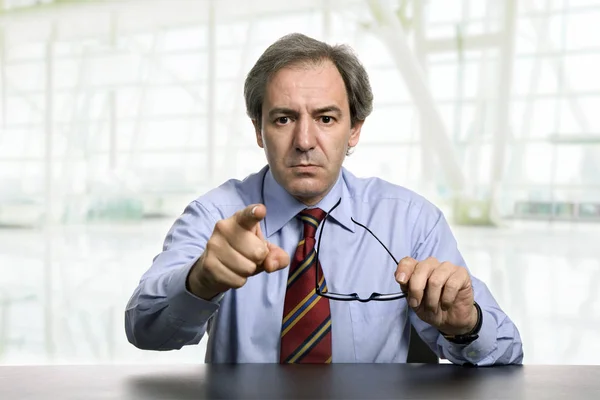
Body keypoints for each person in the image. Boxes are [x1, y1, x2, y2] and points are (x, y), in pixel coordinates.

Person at [125, 33, 524, 365]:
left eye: (326, 119)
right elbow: (143, 329)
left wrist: (465, 324)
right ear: (259, 130)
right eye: (283, 118)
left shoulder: (411, 221)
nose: (304, 141)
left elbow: (507, 353)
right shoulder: (216, 215)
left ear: (354, 131)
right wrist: (200, 281)